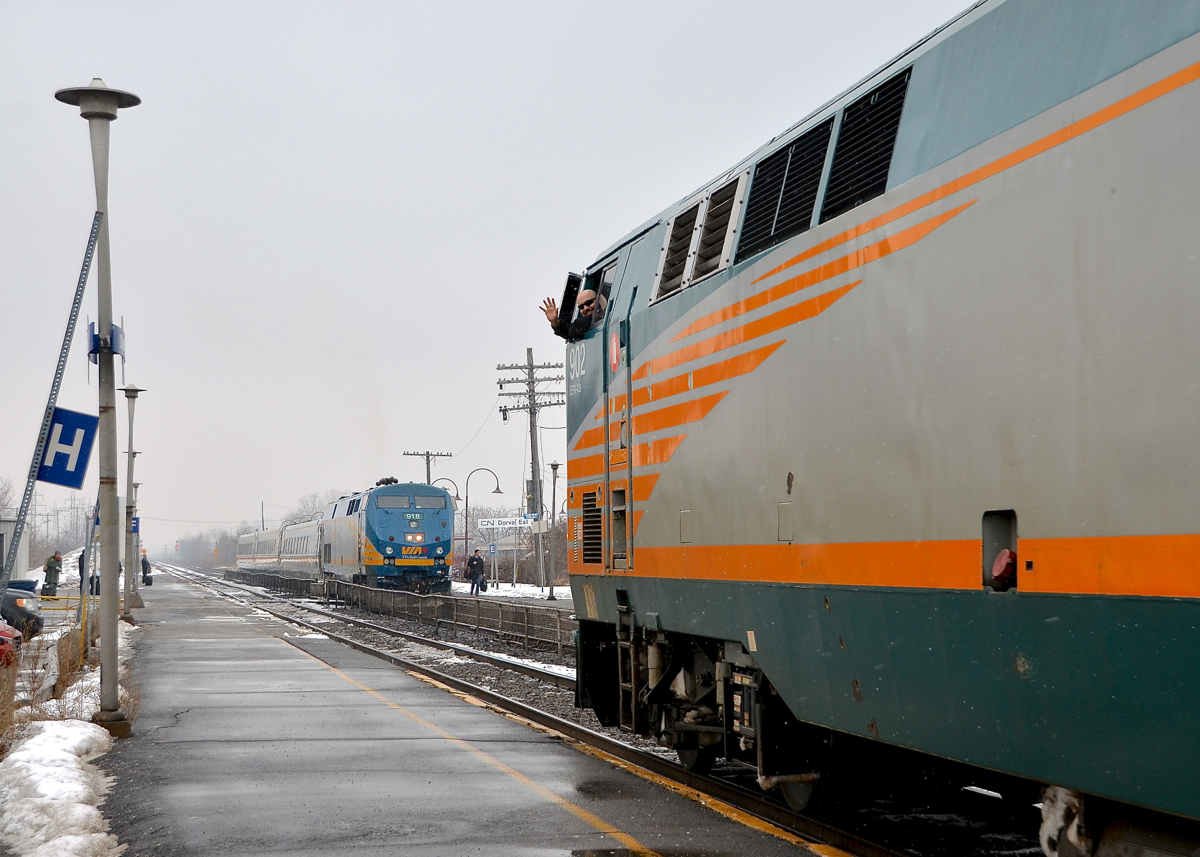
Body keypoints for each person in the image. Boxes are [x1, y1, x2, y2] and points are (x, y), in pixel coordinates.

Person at [540, 288, 605, 342]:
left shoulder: (608, 315)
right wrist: (555, 321)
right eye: (581, 307)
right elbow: (569, 332)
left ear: (599, 300)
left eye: (589, 303)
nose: (585, 308)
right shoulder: (581, 327)